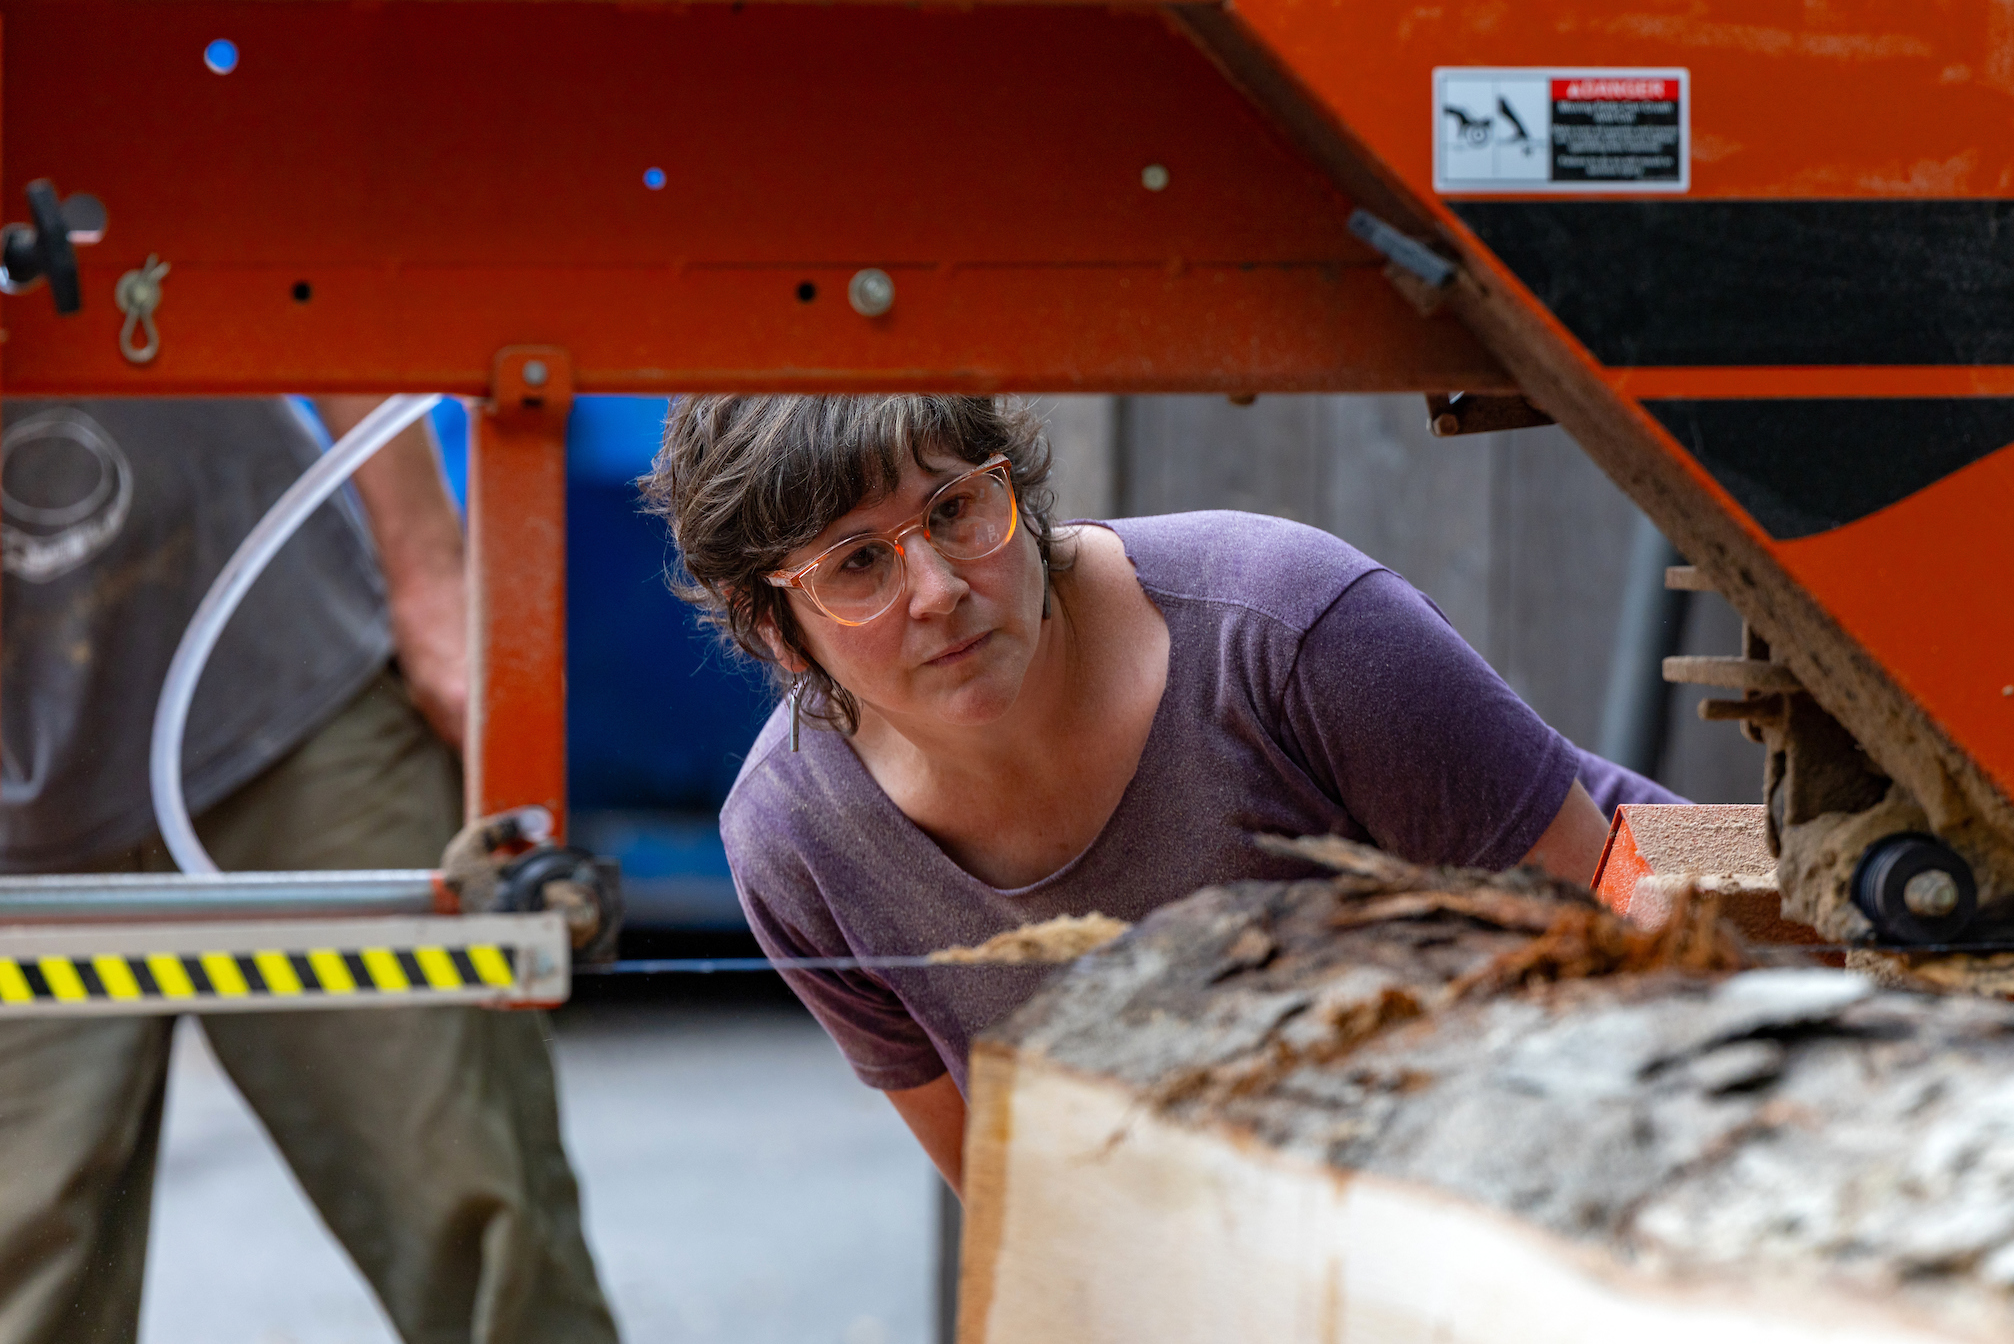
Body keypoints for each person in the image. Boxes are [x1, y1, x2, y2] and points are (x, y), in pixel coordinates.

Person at [642, 395, 1681, 1191]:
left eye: (956, 508)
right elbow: (1026, 1200)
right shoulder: (794, 839)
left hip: (1664, 882)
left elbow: (1597, 935)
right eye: (858, 563)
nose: (941, 588)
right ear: (773, 624)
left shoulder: (1288, 623)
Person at [0, 398, 619, 1344]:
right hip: (19, 786)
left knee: (483, 1220)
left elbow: (313, 267)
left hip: (280, 670)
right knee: (23, 1280)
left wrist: (429, 574)